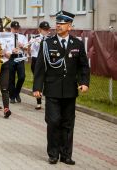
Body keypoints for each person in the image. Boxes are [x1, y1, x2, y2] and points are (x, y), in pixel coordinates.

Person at [33, 10, 90, 165]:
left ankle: (66, 154)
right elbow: (40, 67)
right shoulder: (47, 43)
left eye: (62, 23)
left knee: (67, 123)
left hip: (70, 91)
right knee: (53, 121)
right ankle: (53, 153)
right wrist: (37, 87)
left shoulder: (77, 44)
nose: (58, 26)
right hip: (52, 90)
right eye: (57, 23)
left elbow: (83, 66)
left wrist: (84, 82)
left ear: (70, 26)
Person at [29, 21, 51, 110]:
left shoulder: (50, 38)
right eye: (44, 29)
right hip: (36, 60)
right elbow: (29, 49)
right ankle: (38, 102)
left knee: (48, 80)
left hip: (46, 61)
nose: (46, 31)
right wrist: (35, 42)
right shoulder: (35, 38)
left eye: (47, 29)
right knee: (38, 79)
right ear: (39, 30)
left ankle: (49, 100)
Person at [8, 21, 28, 103]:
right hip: (11, 58)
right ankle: (12, 96)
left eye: (17, 28)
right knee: (11, 78)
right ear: (11, 28)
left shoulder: (22, 37)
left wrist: (22, 46)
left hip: (20, 58)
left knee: (22, 77)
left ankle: (17, 92)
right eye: (14, 28)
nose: (16, 30)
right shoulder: (7, 37)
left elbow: (27, 48)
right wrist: (11, 50)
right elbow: (3, 48)